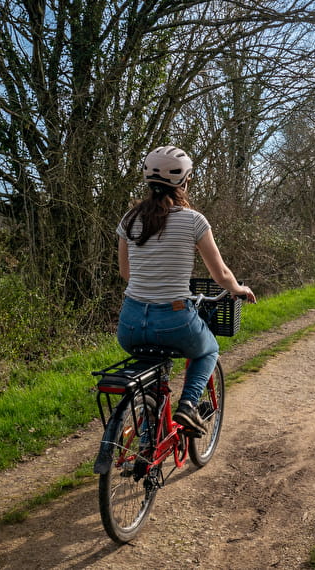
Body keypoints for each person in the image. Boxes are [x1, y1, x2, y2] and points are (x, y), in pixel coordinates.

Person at [116, 145, 256, 434]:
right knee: (209, 350)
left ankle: (147, 436)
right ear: (185, 181)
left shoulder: (129, 220)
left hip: (129, 325)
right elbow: (221, 274)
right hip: (174, 320)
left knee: (152, 374)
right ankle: (189, 406)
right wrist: (239, 288)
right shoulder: (193, 220)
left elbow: (126, 273)